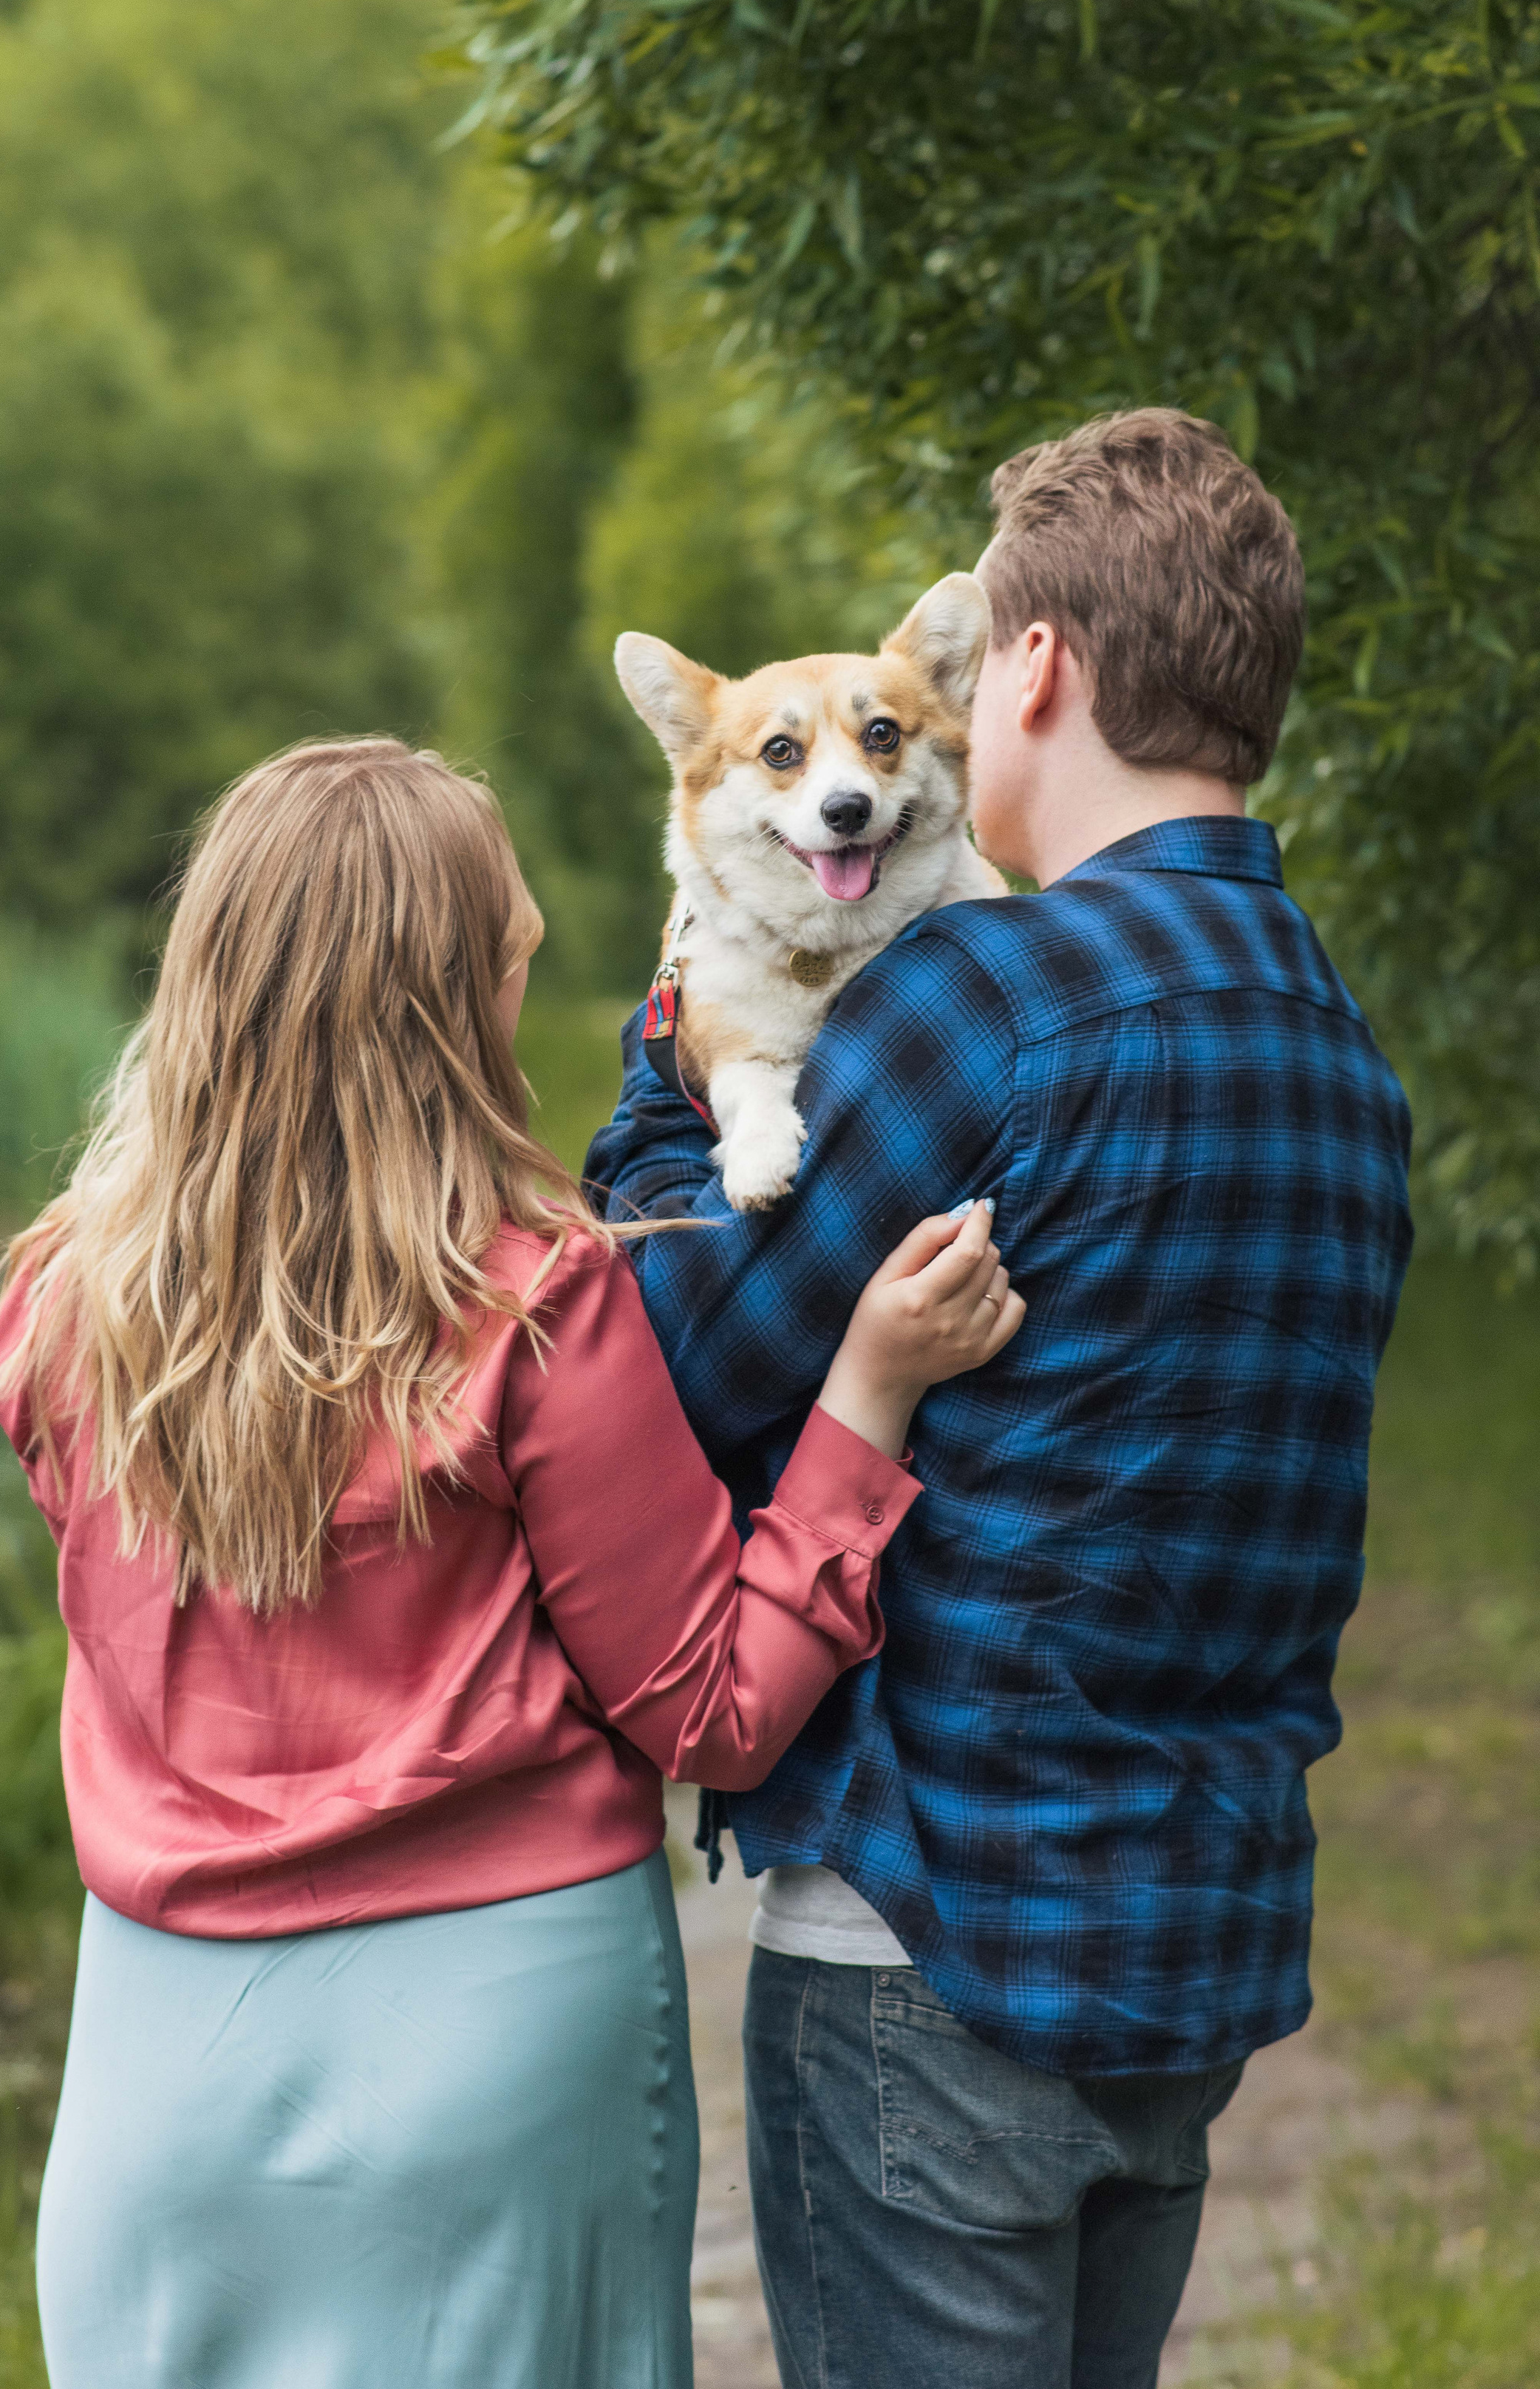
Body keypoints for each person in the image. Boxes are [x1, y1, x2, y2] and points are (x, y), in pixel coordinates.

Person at [0, 737, 1024, 2389]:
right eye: (510, 955)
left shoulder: (59, 1307)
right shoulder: (533, 1306)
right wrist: (868, 1392)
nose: (522, 984)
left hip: (158, 2063)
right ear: (447, 1006)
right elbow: (714, 1712)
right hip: (496, 2029)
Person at [587, 409, 1414, 2389]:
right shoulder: (1337, 1047)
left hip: (933, 1943)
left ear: (1028, 667)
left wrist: (665, 1058)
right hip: (1189, 1945)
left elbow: (675, 1365)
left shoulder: (987, 999)